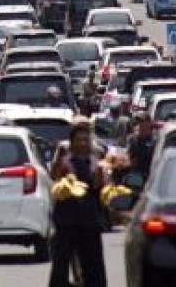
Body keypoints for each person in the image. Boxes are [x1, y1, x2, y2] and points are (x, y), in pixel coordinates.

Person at [48, 117, 109, 287]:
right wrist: (60, 159)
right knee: (60, 262)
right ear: (72, 140)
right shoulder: (63, 153)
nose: (82, 144)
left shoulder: (97, 154)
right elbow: (54, 176)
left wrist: (100, 170)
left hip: (89, 217)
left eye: (85, 140)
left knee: (94, 264)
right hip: (66, 217)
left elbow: (99, 184)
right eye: (78, 140)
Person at [126, 112, 155, 182]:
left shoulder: (155, 140)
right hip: (133, 175)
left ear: (149, 123)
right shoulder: (132, 139)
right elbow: (128, 156)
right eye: (138, 121)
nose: (140, 124)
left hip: (149, 176)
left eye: (142, 121)